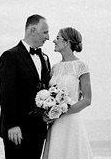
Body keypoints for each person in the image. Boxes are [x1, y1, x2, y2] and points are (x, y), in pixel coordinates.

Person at [0, 14, 51, 159]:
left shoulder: (45, 58)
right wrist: (12, 125)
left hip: (38, 130)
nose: (48, 37)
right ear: (32, 30)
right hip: (17, 130)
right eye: (45, 32)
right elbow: (6, 93)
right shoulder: (10, 56)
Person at [42, 27, 93, 159]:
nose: (53, 40)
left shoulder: (81, 66)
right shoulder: (54, 68)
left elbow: (87, 99)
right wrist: (49, 112)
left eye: (57, 38)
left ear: (67, 42)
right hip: (55, 124)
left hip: (71, 121)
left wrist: (60, 111)